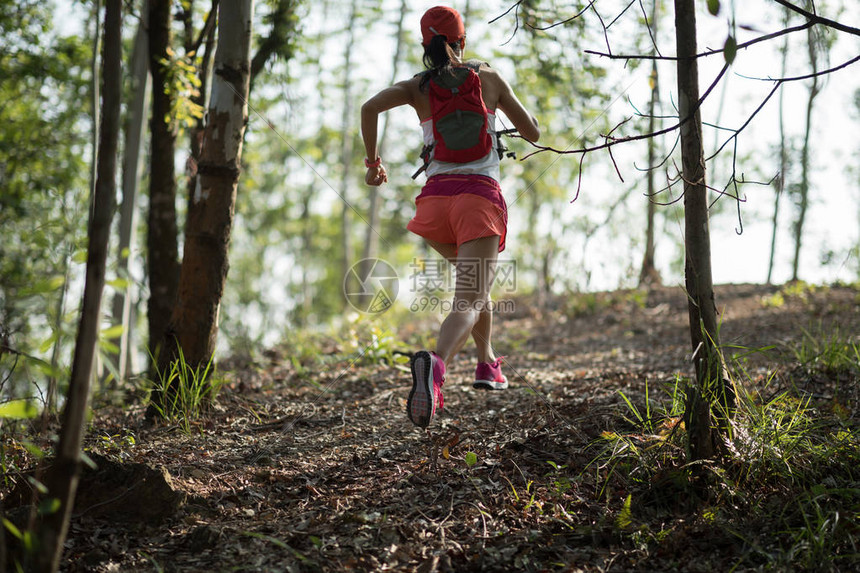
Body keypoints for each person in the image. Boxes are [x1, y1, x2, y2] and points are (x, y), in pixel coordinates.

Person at [360, 6, 540, 428]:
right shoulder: (489, 78)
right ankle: (436, 365)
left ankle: (487, 364)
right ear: (463, 40)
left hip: (435, 206)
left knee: (476, 287)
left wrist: (373, 163)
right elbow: (532, 133)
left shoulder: (417, 87)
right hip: (478, 202)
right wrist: (522, 120)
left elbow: (369, 107)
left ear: (426, 45)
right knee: (471, 297)